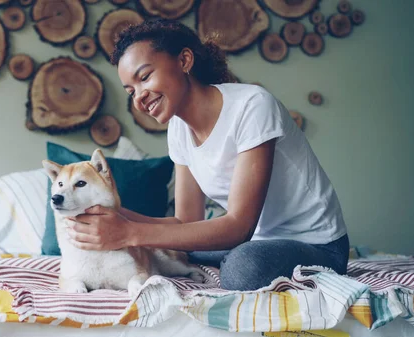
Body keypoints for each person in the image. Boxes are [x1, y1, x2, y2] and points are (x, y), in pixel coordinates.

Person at [67, 19, 349, 291]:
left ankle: (230, 261)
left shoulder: (252, 106)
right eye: (131, 91)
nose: (139, 97)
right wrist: (112, 214)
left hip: (317, 245)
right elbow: (186, 224)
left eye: (145, 77)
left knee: (241, 268)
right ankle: (226, 259)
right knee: (178, 251)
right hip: (257, 241)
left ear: (184, 61)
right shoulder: (178, 130)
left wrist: (130, 233)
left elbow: (239, 227)